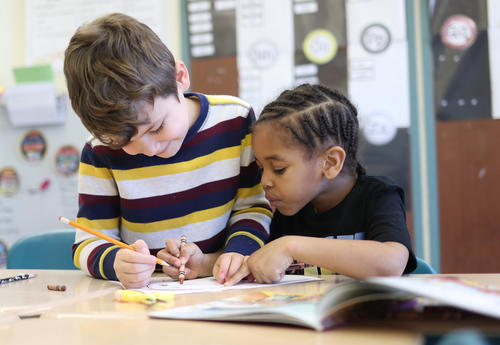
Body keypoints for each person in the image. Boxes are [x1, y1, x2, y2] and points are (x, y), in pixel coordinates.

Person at [64, 13, 271, 288]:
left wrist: (237, 252)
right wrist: (116, 262)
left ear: (180, 78)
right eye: (127, 142)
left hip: (224, 286)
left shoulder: (235, 121)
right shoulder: (100, 151)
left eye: (157, 127)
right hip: (146, 301)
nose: (149, 149)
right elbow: (88, 240)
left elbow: (254, 206)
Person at [223, 84, 417, 285]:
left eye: (279, 168)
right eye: (261, 168)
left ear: (330, 162)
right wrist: (204, 263)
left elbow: (391, 264)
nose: (265, 182)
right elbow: (252, 261)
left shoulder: (378, 196)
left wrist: (291, 246)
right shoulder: (285, 208)